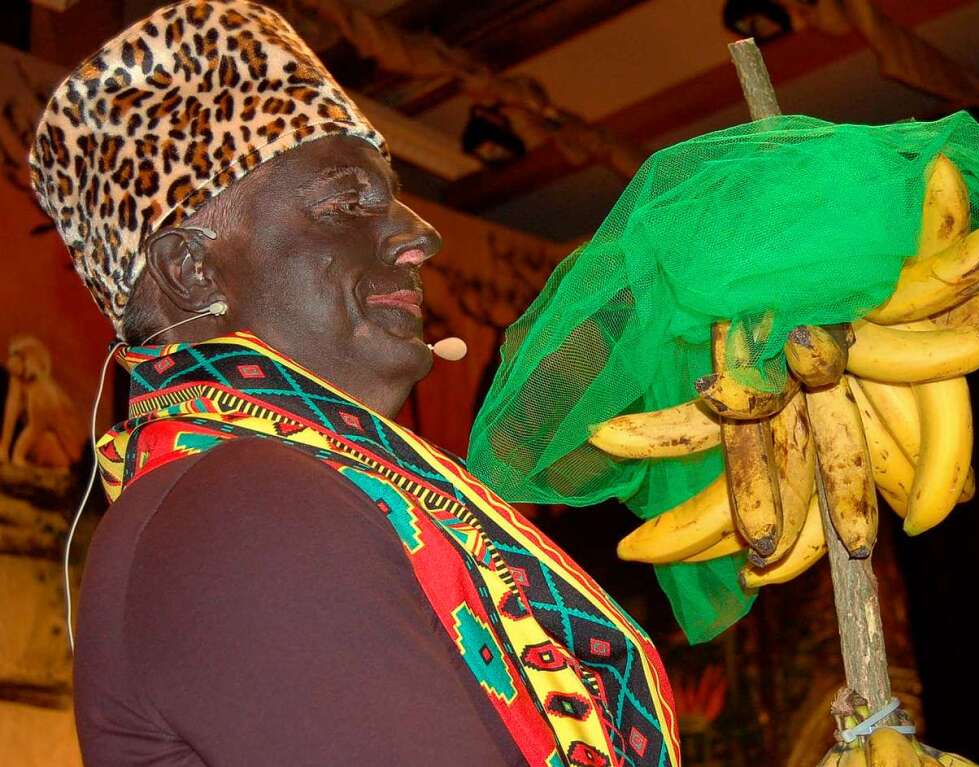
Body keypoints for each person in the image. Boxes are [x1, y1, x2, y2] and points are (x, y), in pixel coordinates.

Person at [29, 2, 680, 765]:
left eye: (395, 198)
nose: (419, 235)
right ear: (192, 270)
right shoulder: (237, 503)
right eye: (346, 202)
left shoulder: (248, 491)